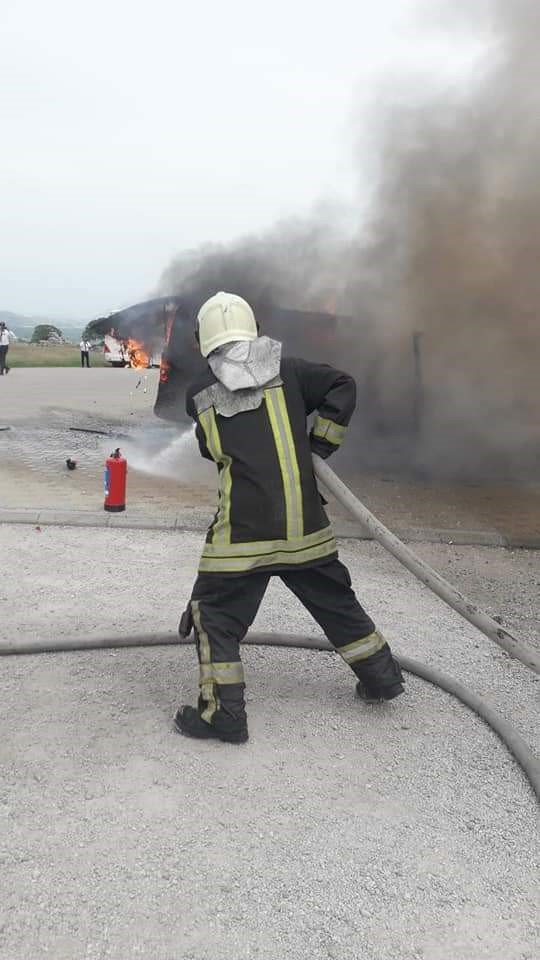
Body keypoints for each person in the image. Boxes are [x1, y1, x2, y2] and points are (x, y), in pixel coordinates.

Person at [174, 292, 404, 743]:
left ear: (203, 340)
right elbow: (343, 386)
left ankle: (223, 715)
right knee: (336, 603)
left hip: (242, 535)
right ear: (253, 328)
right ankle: (382, 679)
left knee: (213, 613)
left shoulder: (197, 393)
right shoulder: (293, 371)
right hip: (306, 529)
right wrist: (320, 444)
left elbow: (209, 450)